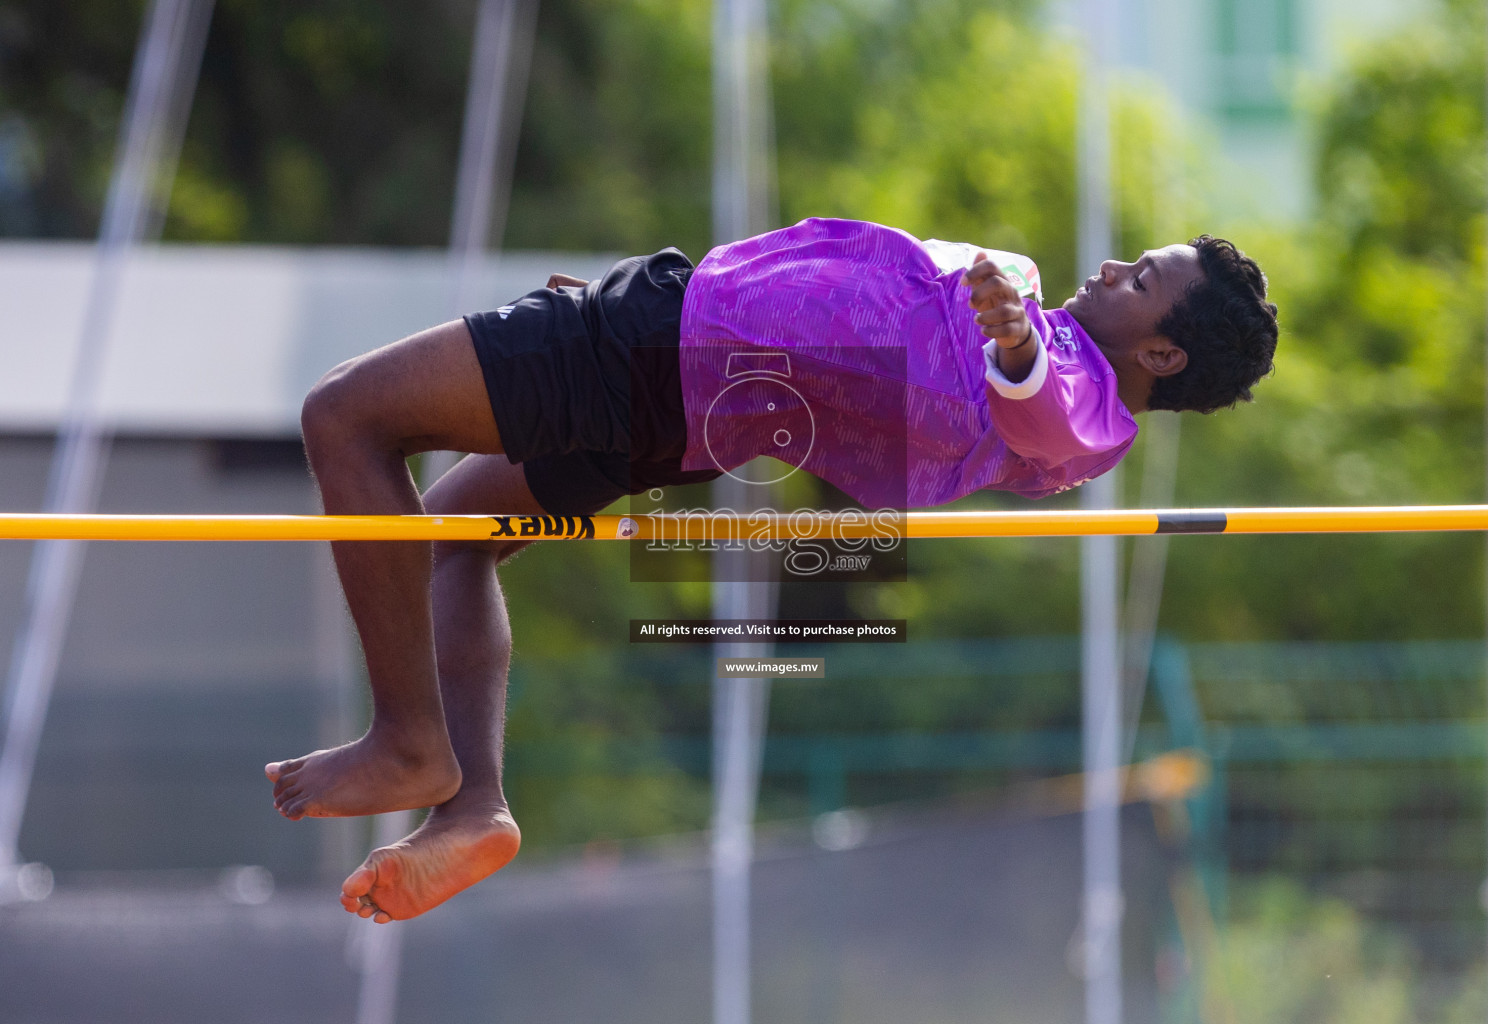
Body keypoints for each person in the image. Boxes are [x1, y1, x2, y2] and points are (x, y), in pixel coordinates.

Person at [265, 217, 1278, 923]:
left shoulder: (1077, 399)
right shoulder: (1072, 386)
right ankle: (475, 802)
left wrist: (1013, 335)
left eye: (1141, 281)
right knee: (450, 540)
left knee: (345, 414)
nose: (1109, 269)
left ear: (1167, 359)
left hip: (665, 348)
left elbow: (1038, 393)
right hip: (687, 382)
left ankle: (409, 740)